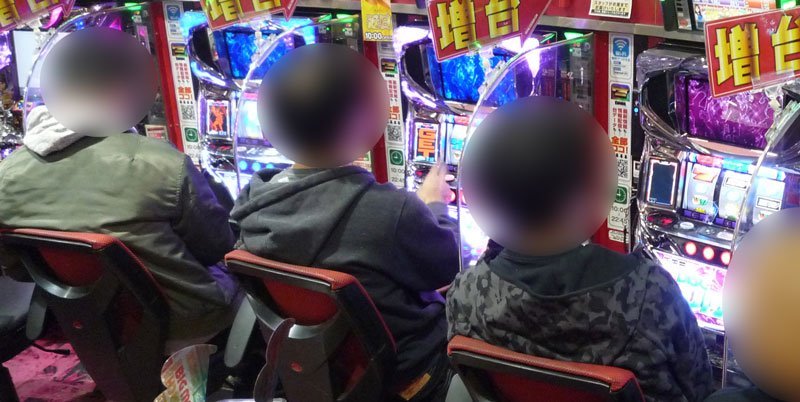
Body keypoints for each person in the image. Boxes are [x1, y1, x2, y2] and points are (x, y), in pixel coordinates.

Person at [231, 43, 460, 402]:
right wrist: (434, 206)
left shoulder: (252, 202)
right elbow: (448, 268)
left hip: (322, 369)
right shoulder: (391, 211)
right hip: (408, 374)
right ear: (366, 121)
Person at [446, 96, 714, 402]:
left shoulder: (466, 294)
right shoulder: (651, 294)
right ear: (590, 189)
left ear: (487, 192)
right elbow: (701, 389)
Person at [0, 27, 239, 351]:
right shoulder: (162, 164)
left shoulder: (7, 175)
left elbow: (18, 269)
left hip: (89, 323)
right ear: (127, 88)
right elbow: (217, 247)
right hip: (186, 323)